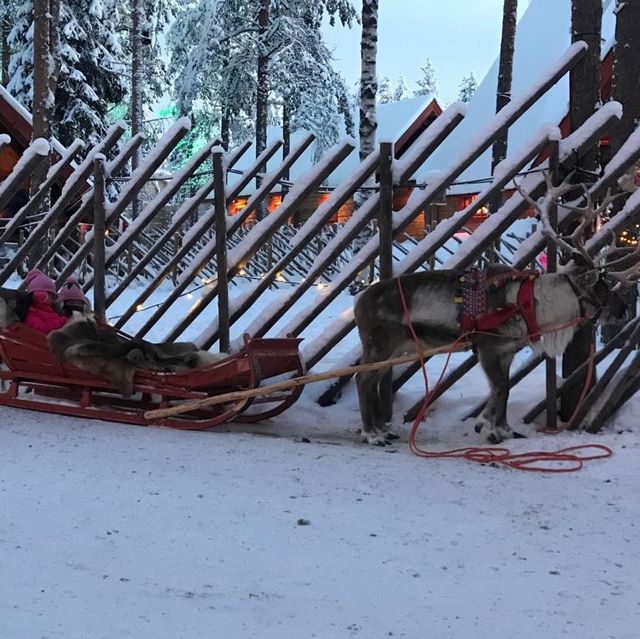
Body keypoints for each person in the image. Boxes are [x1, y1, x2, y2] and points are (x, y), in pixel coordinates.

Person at [23, 270, 68, 334]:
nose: (53, 299)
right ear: (40, 295)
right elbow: (42, 330)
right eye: (51, 295)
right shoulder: (31, 313)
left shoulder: (51, 310)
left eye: (54, 296)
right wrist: (61, 321)